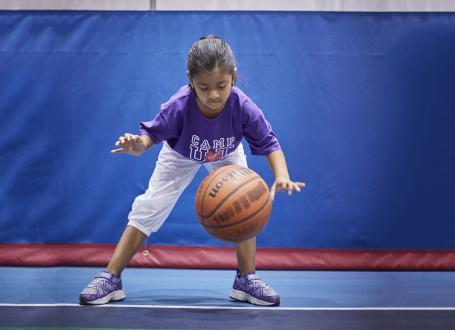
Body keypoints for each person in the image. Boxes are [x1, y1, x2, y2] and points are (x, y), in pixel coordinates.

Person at [79, 35, 305, 307]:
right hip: (180, 153)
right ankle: (111, 278)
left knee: (247, 202)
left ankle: (246, 280)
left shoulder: (242, 106)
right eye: (203, 87)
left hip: (226, 152)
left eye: (221, 85)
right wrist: (137, 146)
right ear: (190, 80)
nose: (214, 94)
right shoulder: (179, 105)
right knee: (149, 206)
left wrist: (282, 176)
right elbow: (148, 139)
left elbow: (269, 142)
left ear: (232, 76)